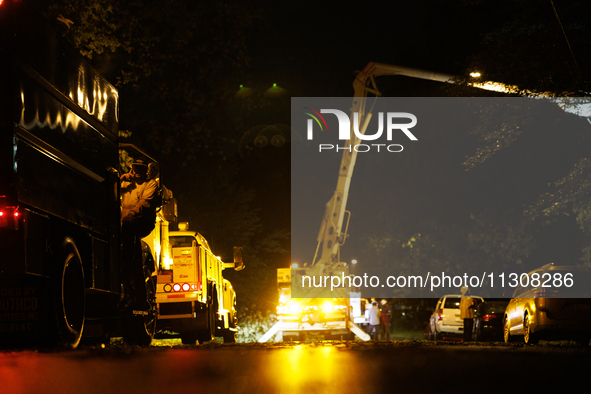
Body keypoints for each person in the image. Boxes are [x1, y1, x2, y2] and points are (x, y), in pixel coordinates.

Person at [120, 160, 159, 309]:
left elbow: (145, 203)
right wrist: (121, 179)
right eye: (135, 169)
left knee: (132, 247)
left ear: (145, 171)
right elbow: (114, 193)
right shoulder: (125, 184)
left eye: (140, 170)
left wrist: (131, 214)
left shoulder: (150, 185)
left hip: (141, 223)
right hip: (125, 224)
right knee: (130, 245)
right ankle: (130, 287)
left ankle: (127, 270)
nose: (137, 173)